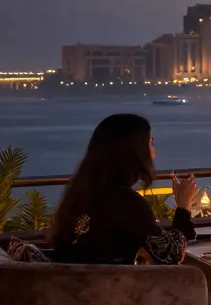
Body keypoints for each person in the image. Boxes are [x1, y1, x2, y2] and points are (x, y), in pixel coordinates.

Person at [51, 113, 199, 265]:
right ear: (135, 152)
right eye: (150, 144)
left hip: (70, 286)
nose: (154, 153)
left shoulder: (81, 194)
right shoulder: (127, 203)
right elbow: (170, 256)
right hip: (110, 287)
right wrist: (183, 206)